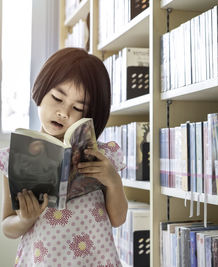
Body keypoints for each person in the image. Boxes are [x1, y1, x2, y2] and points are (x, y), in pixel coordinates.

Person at [0, 47, 128, 266]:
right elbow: (6, 226)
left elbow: (118, 219)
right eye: (58, 98)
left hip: (95, 260)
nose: (64, 113)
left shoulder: (101, 156)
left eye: (78, 108)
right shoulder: (16, 157)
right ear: (41, 89)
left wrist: (113, 181)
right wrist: (24, 219)